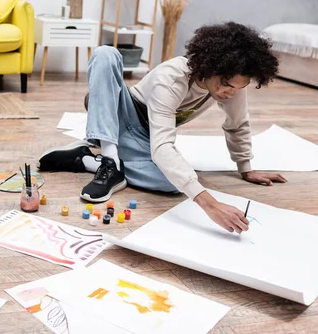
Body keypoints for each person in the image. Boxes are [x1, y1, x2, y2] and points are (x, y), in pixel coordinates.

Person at [38, 22, 286, 233]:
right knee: (105, 54)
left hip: (147, 137)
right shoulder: (172, 78)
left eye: (235, 87)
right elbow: (163, 147)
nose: (227, 92)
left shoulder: (232, 88)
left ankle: (87, 160)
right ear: (210, 67)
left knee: (172, 184)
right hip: (124, 113)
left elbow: (237, 123)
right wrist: (211, 204)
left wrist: (245, 167)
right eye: (224, 84)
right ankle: (110, 161)